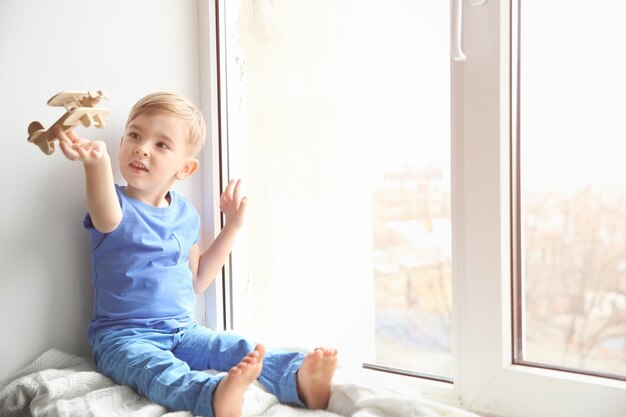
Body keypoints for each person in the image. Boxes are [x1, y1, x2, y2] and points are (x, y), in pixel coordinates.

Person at [55, 92, 338, 417]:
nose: (142, 147)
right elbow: (105, 216)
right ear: (121, 143)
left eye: (161, 145)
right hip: (124, 338)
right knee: (157, 371)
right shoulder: (116, 205)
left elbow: (199, 278)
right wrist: (96, 164)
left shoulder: (185, 215)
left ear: (185, 168)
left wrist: (231, 227)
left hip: (182, 330)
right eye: (134, 135)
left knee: (233, 347)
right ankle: (212, 396)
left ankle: (298, 378)